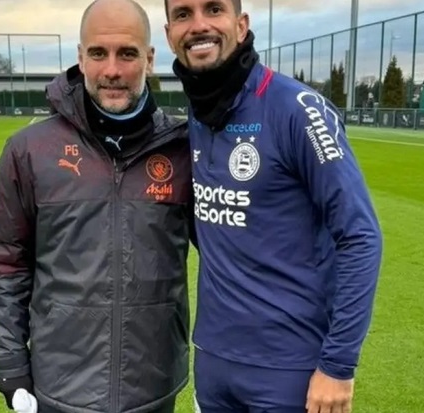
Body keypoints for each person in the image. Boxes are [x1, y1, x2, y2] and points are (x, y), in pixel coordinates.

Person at [163, 1, 384, 413]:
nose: (198, 25)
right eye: (183, 14)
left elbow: (361, 236)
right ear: (169, 34)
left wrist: (337, 366)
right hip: (213, 361)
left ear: (241, 25)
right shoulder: (197, 113)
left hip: (289, 369)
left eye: (213, 9)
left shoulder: (297, 109)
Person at [0, 0, 195, 412]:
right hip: (59, 388)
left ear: (150, 59)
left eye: (127, 53)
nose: (112, 70)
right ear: (80, 58)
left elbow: (231, 256)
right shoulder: (30, 150)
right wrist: (10, 362)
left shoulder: (183, 149)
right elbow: (6, 263)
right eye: (98, 53)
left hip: (154, 385)